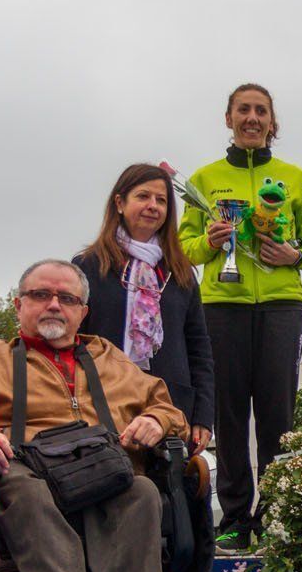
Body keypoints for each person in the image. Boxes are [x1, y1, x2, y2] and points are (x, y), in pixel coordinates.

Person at [0, 259, 188, 572]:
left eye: (67, 298)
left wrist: (158, 420)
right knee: (24, 490)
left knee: (143, 491)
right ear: (18, 305)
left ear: (82, 312)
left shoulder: (111, 359)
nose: (54, 305)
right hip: (27, 470)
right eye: (41, 295)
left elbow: (168, 407)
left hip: (105, 469)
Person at [177, 84, 302, 553]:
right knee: (230, 414)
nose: (253, 118)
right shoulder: (203, 179)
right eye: (244, 110)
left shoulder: (297, 178)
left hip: (282, 306)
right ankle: (237, 518)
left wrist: (293, 253)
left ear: (272, 122)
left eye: (261, 111)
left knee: (279, 416)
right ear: (228, 118)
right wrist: (213, 242)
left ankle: (276, 515)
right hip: (221, 306)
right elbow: (183, 248)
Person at [75, 163, 215, 454]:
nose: (153, 206)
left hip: (170, 408)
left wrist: (202, 415)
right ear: (120, 203)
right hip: (102, 403)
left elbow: (199, 348)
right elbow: (74, 341)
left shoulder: (181, 273)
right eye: (143, 196)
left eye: (161, 200)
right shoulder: (88, 266)